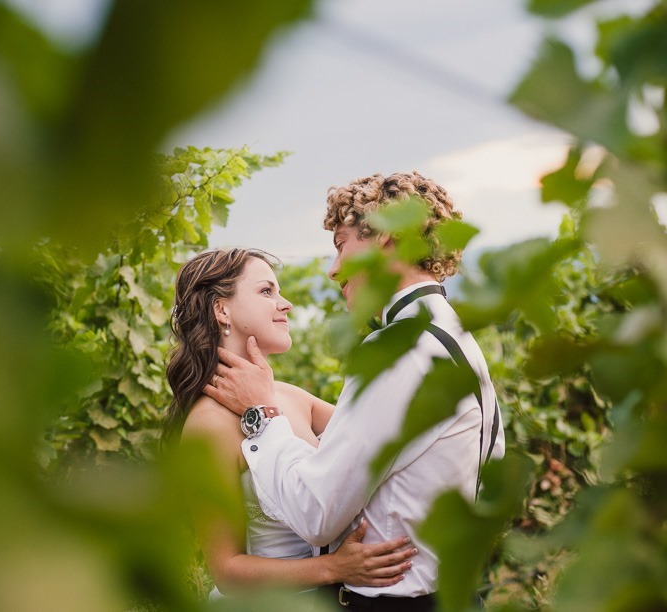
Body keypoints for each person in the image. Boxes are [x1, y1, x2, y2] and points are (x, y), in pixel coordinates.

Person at [204, 171, 505, 611]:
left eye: (342, 244)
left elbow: (316, 515)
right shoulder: (452, 337)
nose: (334, 269)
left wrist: (261, 413)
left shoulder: (398, 349)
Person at [161, 247, 418, 601]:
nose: (286, 304)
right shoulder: (208, 424)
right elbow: (226, 570)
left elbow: (383, 437)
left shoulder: (293, 397)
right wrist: (334, 569)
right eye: (267, 291)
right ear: (222, 310)